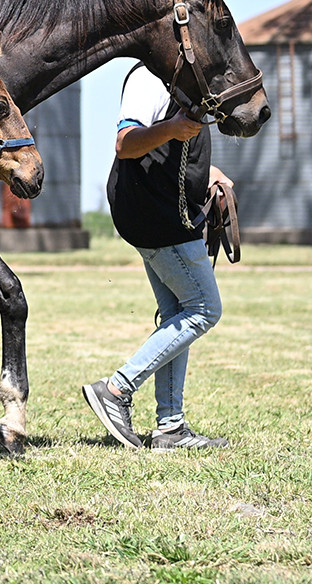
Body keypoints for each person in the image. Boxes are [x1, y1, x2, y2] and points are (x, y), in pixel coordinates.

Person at [83, 64, 230, 451]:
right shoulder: (149, 79)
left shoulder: (183, 84)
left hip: (161, 211)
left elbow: (166, 154)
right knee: (204, 309)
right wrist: (172, 129)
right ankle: (116, 389)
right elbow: (126, 143)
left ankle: (170, 427)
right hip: (160, 217)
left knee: (177, 313)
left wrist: (207, 172)